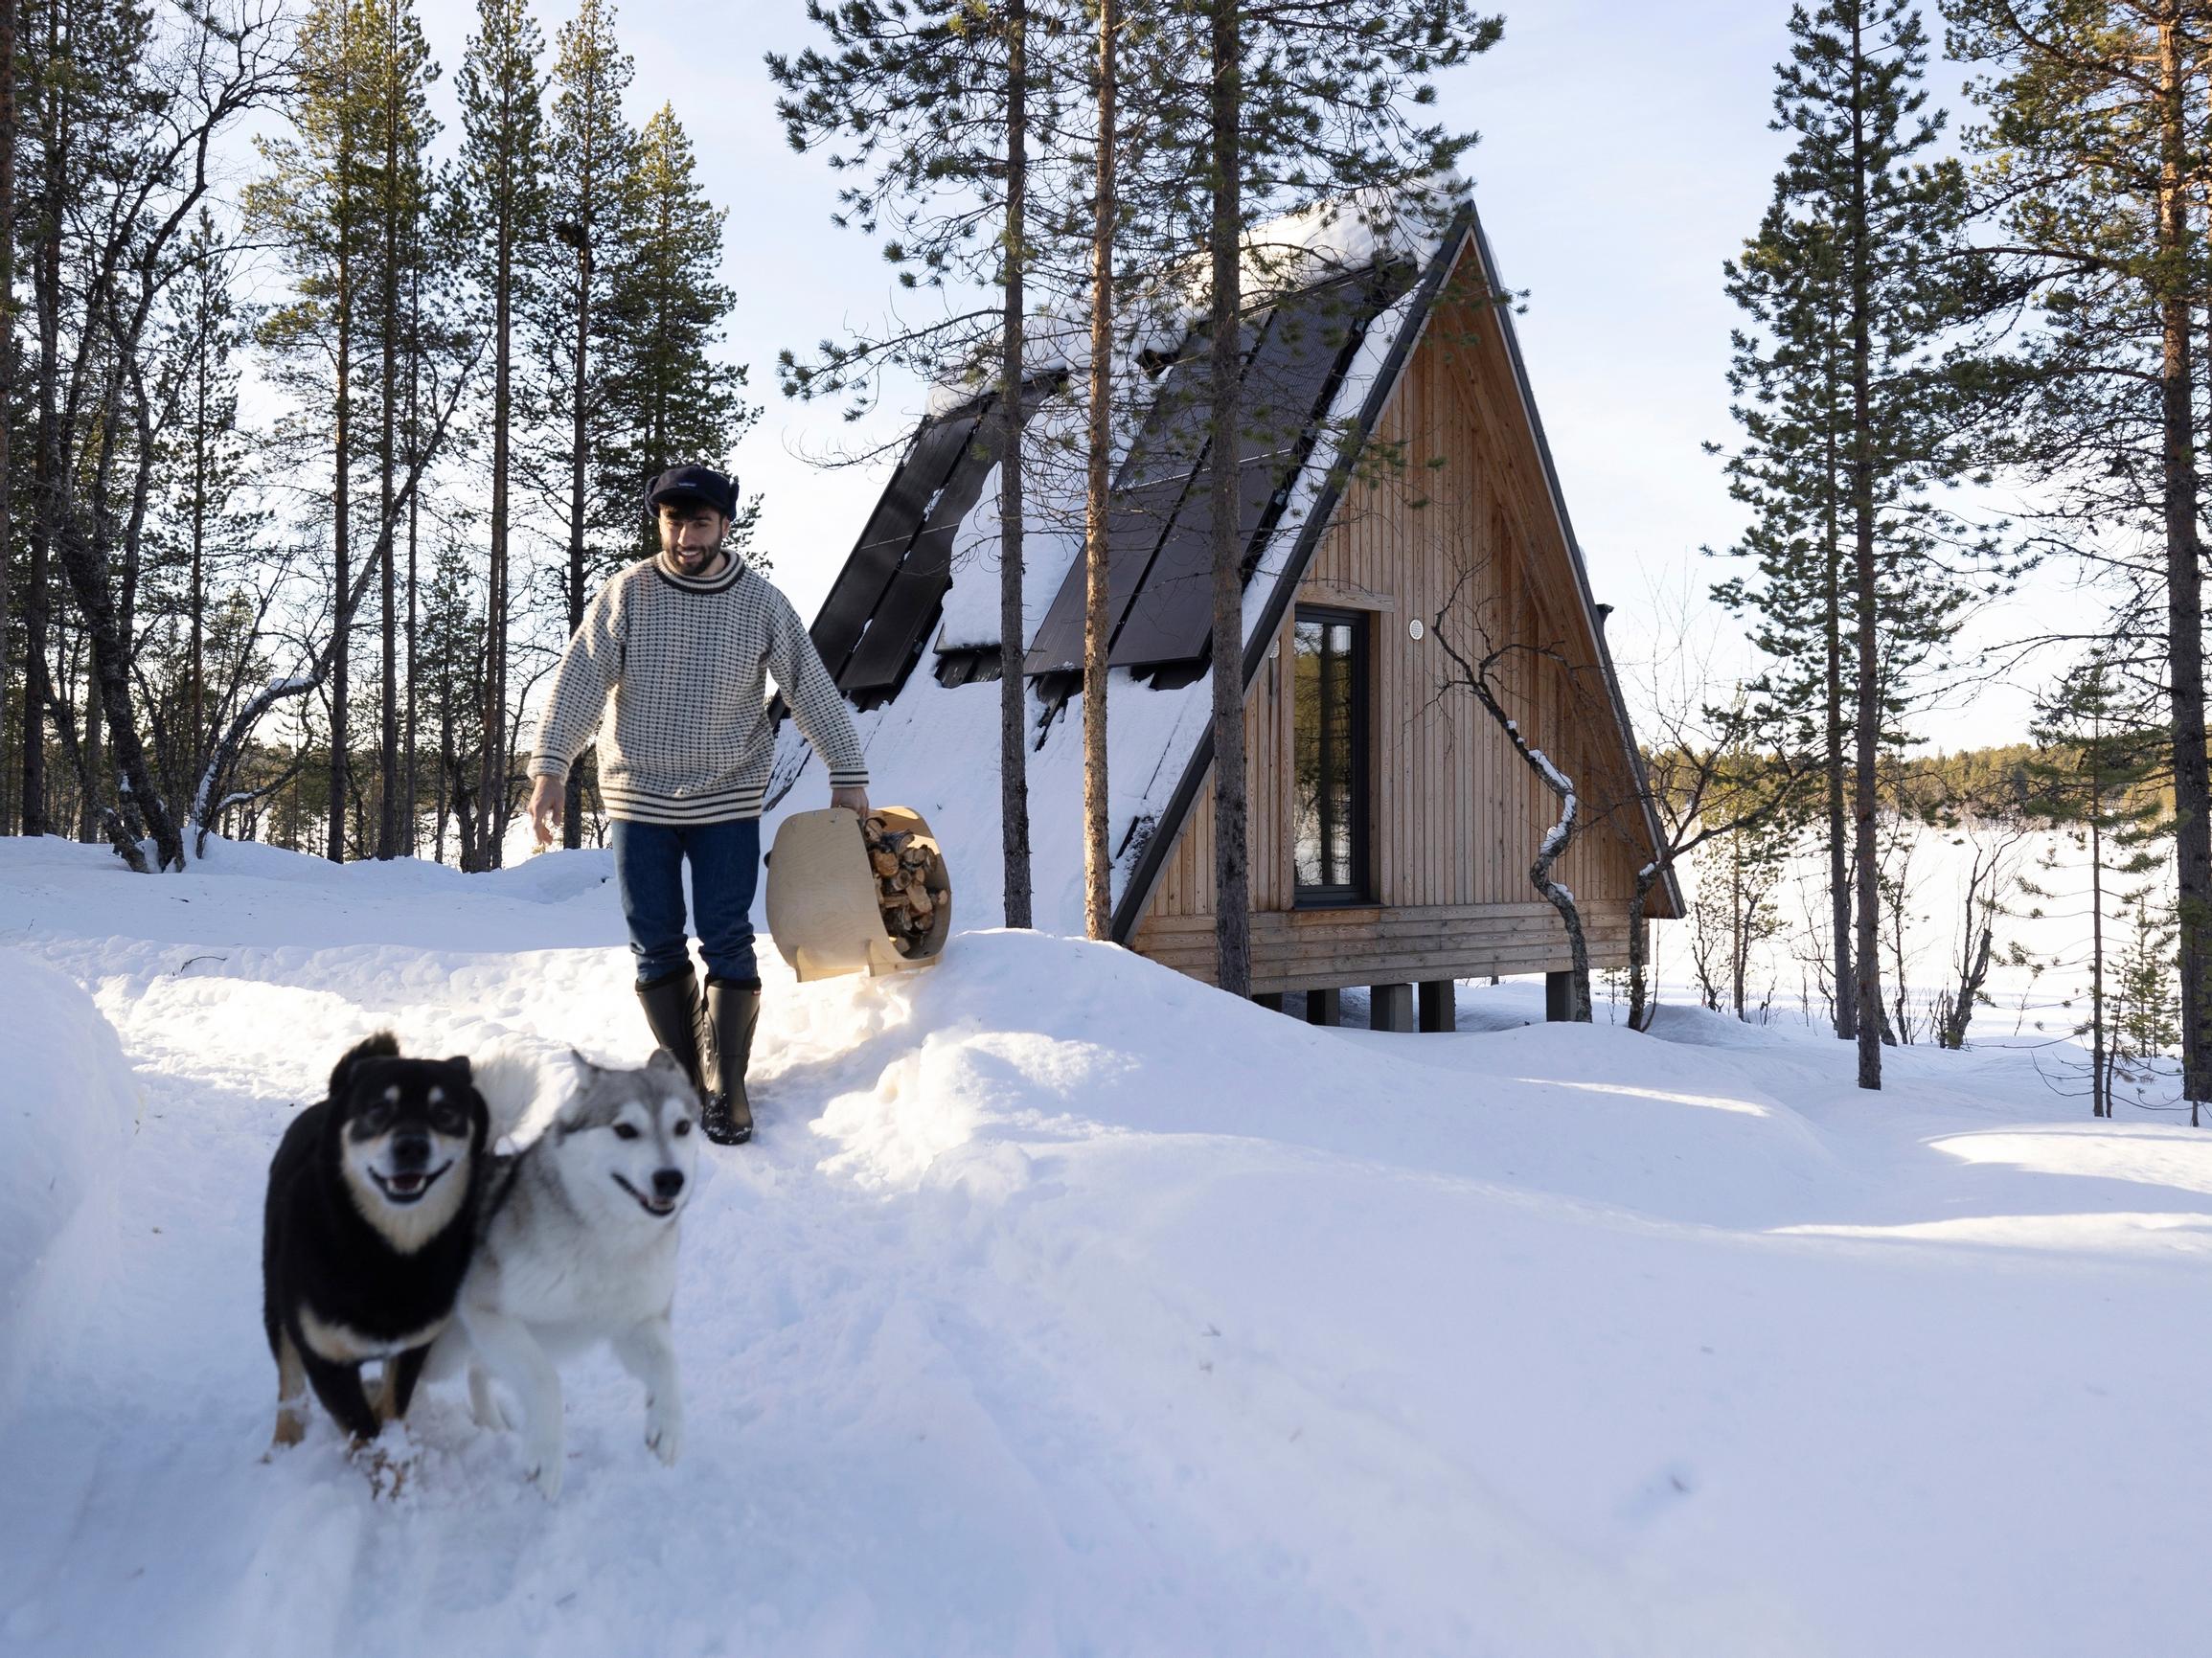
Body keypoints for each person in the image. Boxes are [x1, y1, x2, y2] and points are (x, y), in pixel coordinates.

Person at [528, 464, 869, 1145]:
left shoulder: (761, 603)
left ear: (725, 525)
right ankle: (686, 1074)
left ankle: (729, 1084)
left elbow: (811, 686)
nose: (685, 536)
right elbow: (579, 682)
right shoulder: (626, 594)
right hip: (637, 793)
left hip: (726, 794)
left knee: (726, 933)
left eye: (700, 522)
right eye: (673, 522)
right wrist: (550, 768)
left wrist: (847, 769)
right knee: (653, 938)